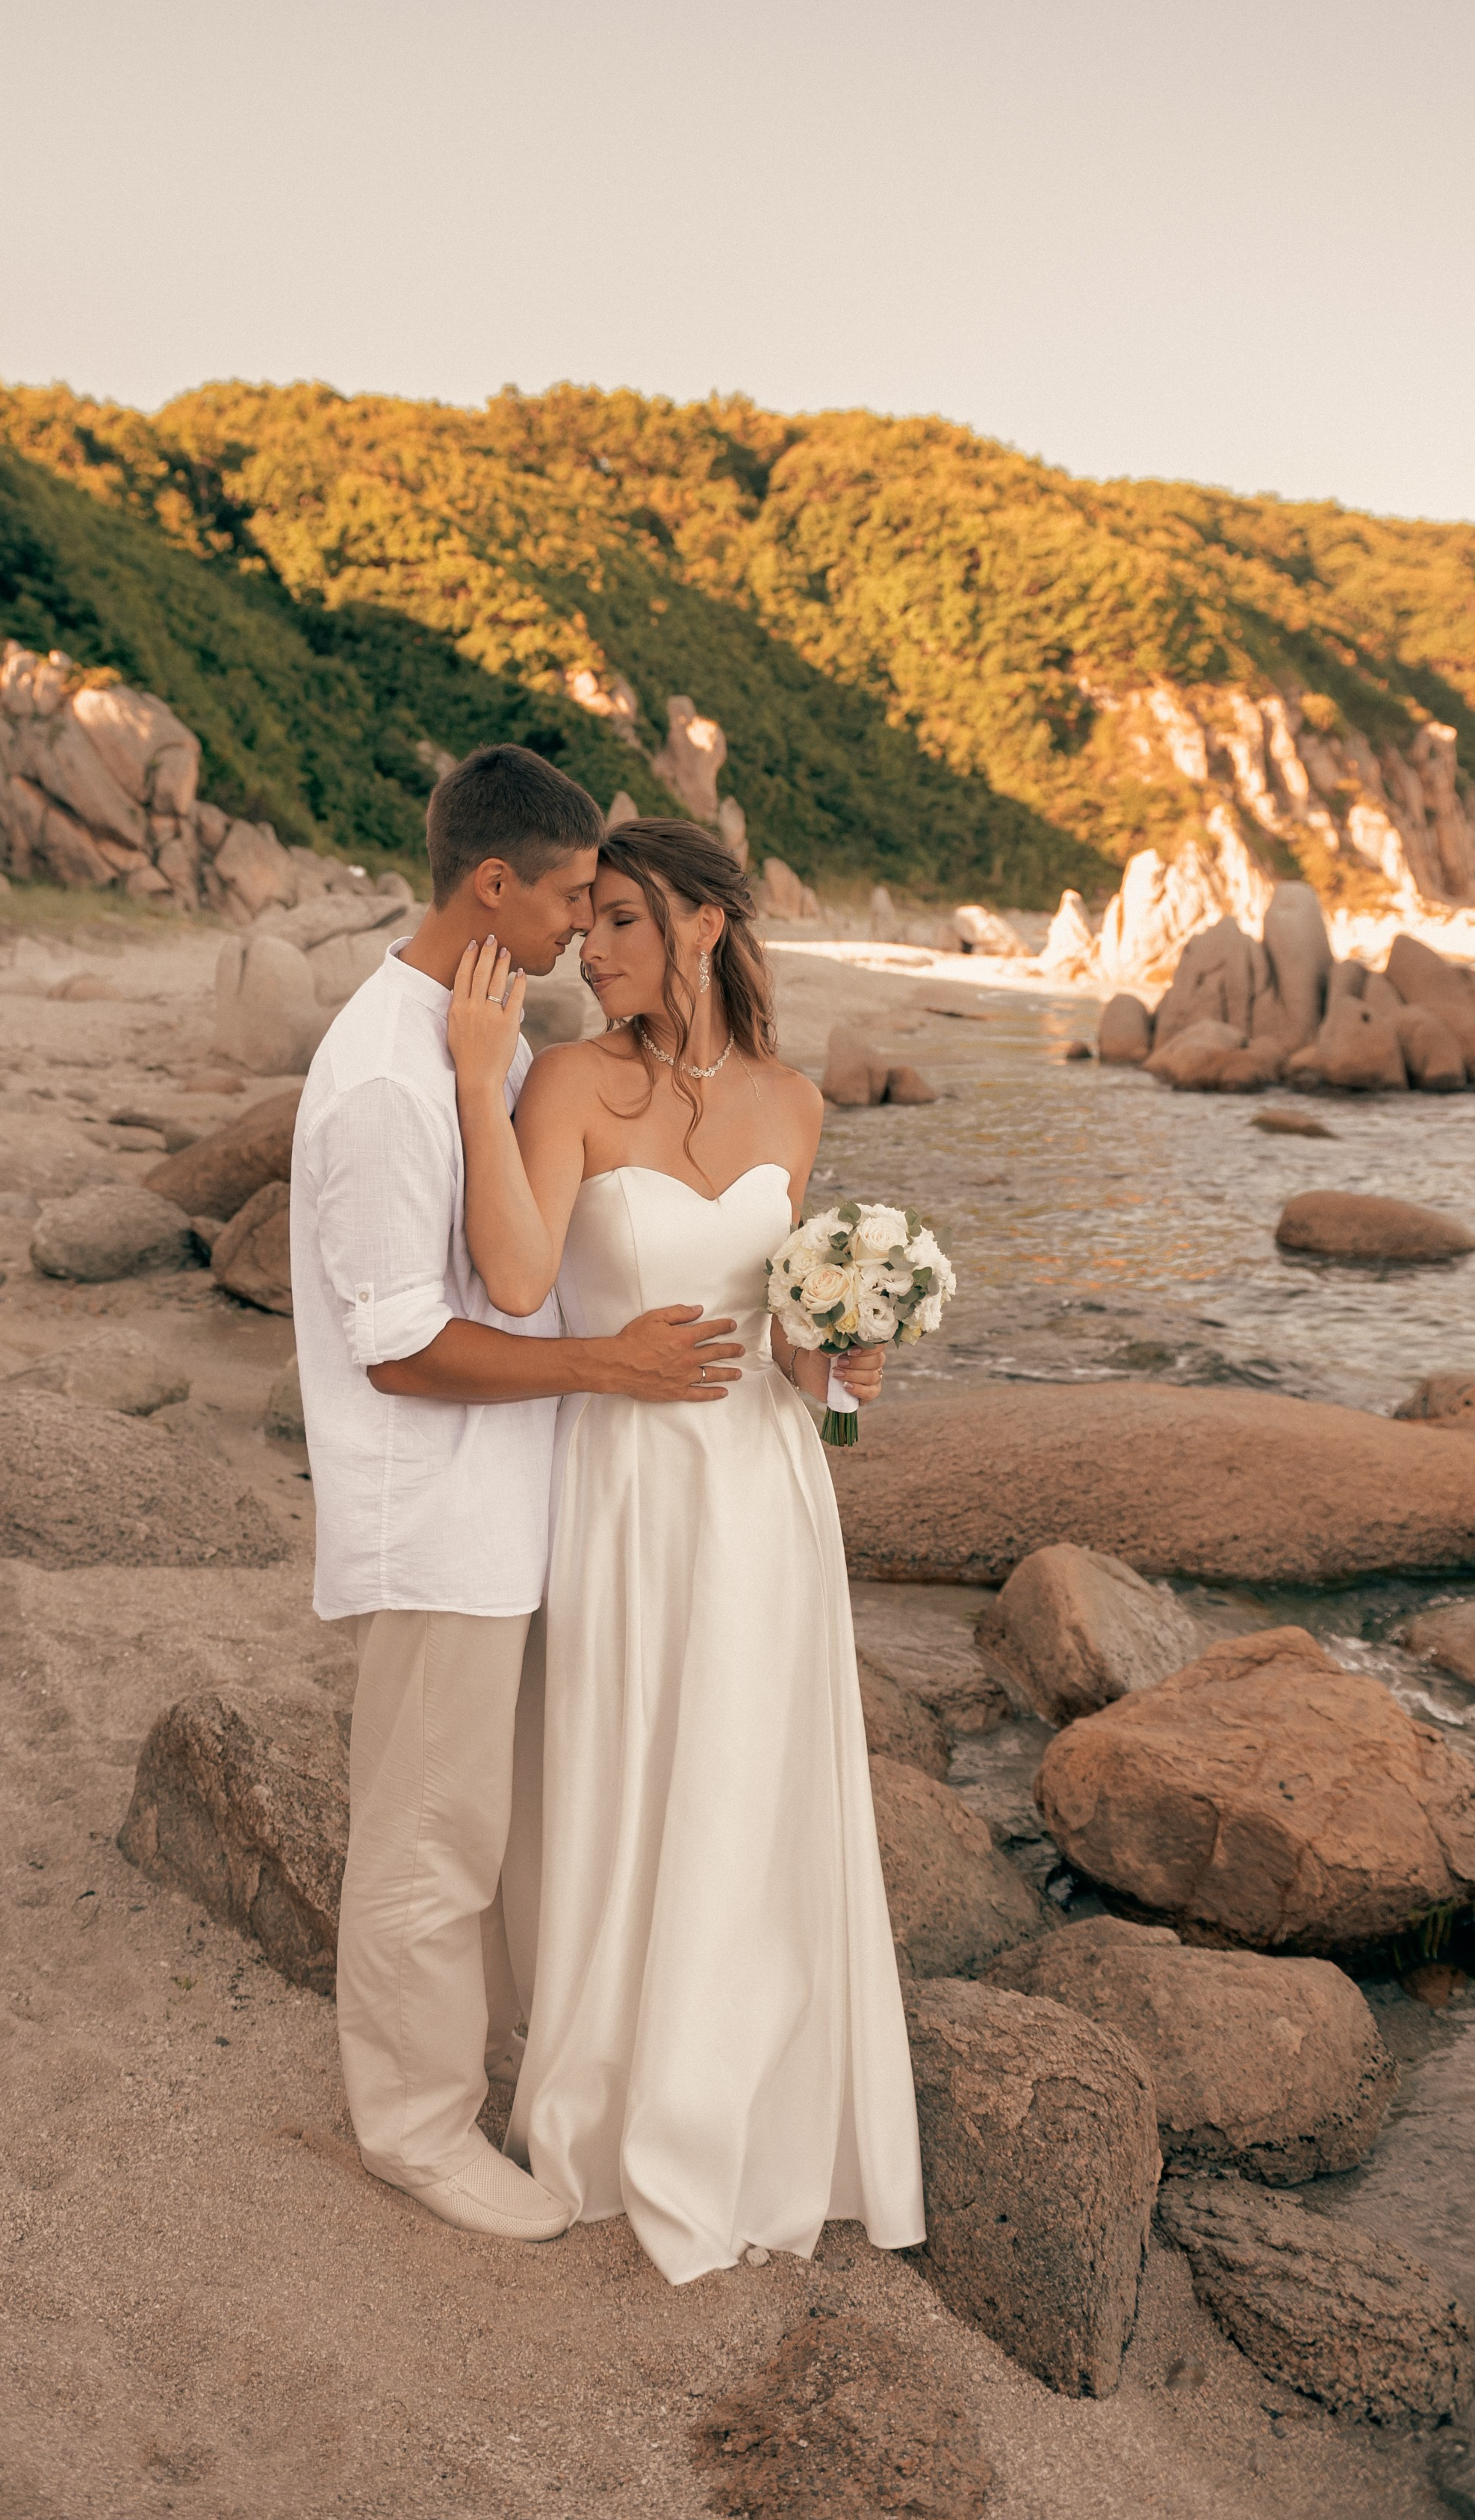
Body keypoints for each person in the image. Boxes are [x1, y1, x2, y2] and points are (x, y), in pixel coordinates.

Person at [444, 816, 924, 2284]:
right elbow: (522, 1277)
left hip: (769, 1497)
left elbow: (797, 1366)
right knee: (638, 1776)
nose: (591, 950)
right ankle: (628, 2113)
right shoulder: (571, 1079)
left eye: (624, 924)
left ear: (707, 923)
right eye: (586, 925)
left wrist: (846, 1357)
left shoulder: (792, 1103)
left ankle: (760, 2114)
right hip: (633, 1488)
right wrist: (480, 1080)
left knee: (749, 1795)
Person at [289, 750, 747, 2246]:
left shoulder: (452, 1042)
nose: (575, 929)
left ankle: (467, 2081)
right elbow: (405, 1347)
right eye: (564, 896)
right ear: (493, 884)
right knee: (429, 1839)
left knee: (481, 1831)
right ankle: (412, 2128)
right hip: (436, 1515)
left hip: (509, 1507)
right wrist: (606, 1367)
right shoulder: (382, 1078)